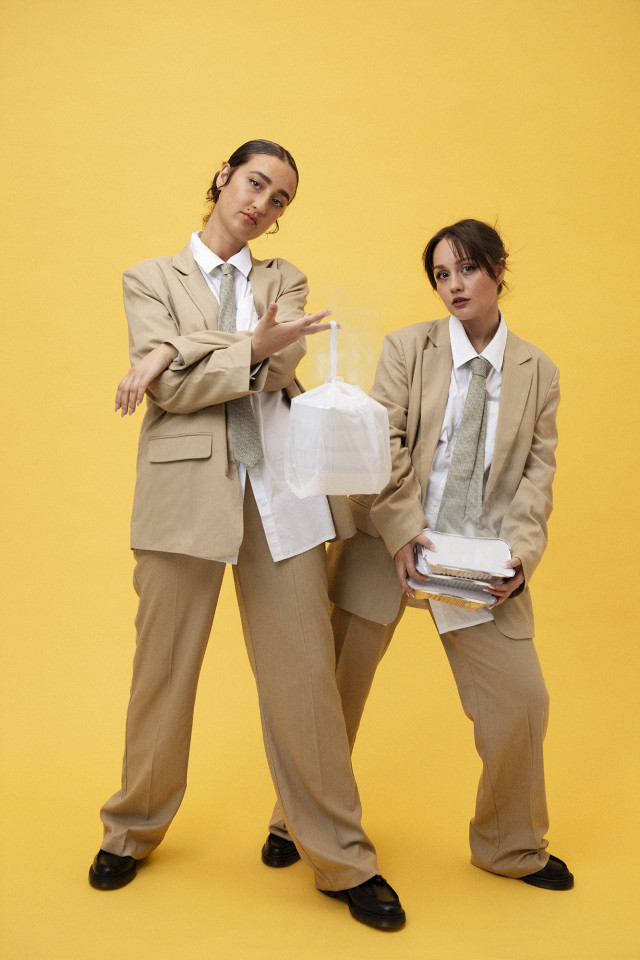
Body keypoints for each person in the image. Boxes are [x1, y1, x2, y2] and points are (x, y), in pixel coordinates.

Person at [88, 140, 405, 931]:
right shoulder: (148, 278)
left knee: (305, 680)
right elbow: (172, 390)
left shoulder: (282, 279)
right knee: (161, 673)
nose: (262, 204)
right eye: (256, 183)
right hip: (182, 493)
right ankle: (132, 830)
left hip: (281, 492)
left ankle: (340, 856)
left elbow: (270, 362)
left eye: (279, 199)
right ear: (224, 177)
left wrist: (185, 349)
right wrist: (209, 354)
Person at [272, 219, 574, 891]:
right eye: (441, 274)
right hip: (388, 544)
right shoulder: (409, 348)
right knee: (331, 698)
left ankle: (509, 845)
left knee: (521, 701)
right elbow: (388, 444)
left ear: (498, 270)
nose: (454, 285)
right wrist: (405, 532)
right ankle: (290, 821)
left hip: (478, 556)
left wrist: (521, 556)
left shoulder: (539, 372)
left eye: (466, 269)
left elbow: (536, 477)